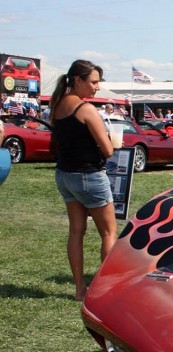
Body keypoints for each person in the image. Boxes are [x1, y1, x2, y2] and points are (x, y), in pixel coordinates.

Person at [49, 59, 116, 301]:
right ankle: (105, 291)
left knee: (76, 232)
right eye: (94, 82)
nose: (97, 87)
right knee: (109, 233)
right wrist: (113, 142)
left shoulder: (57, 106)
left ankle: (80, 290)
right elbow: (108, 150)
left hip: (65, 175)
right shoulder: (85, 109)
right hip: (89, 176)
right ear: (78, 80)